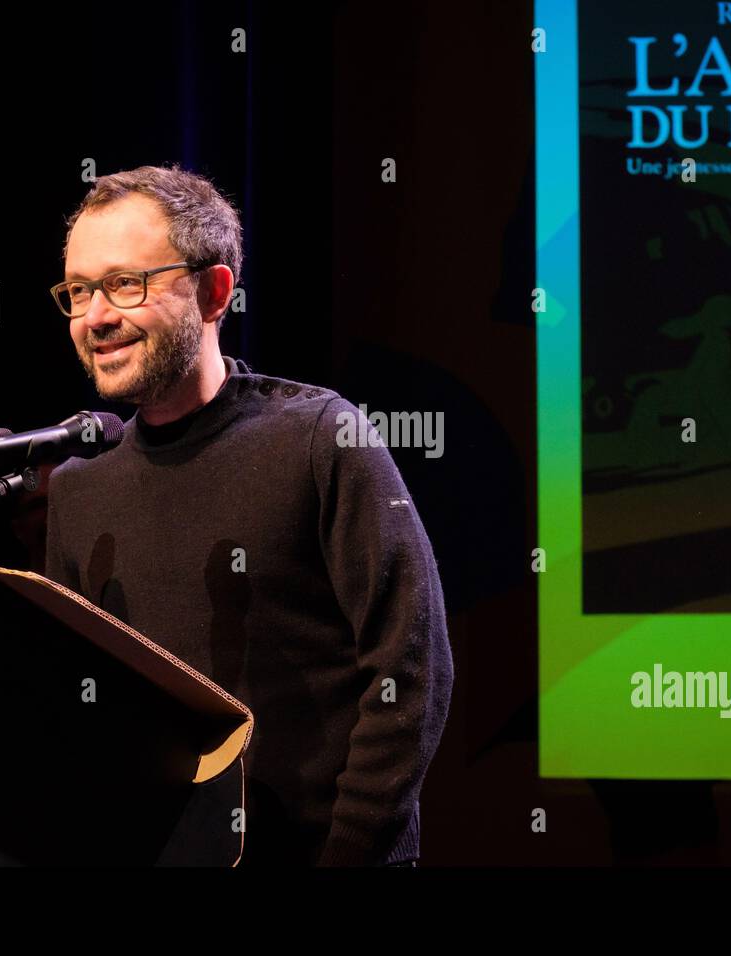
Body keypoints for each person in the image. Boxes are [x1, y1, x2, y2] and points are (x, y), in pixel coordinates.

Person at [42, 164, 453, 866]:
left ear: (213, 292)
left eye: (124, 284)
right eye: (78, 291)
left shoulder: (321, 437)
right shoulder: (80, 489)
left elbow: (411, 673)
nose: (95, 316)